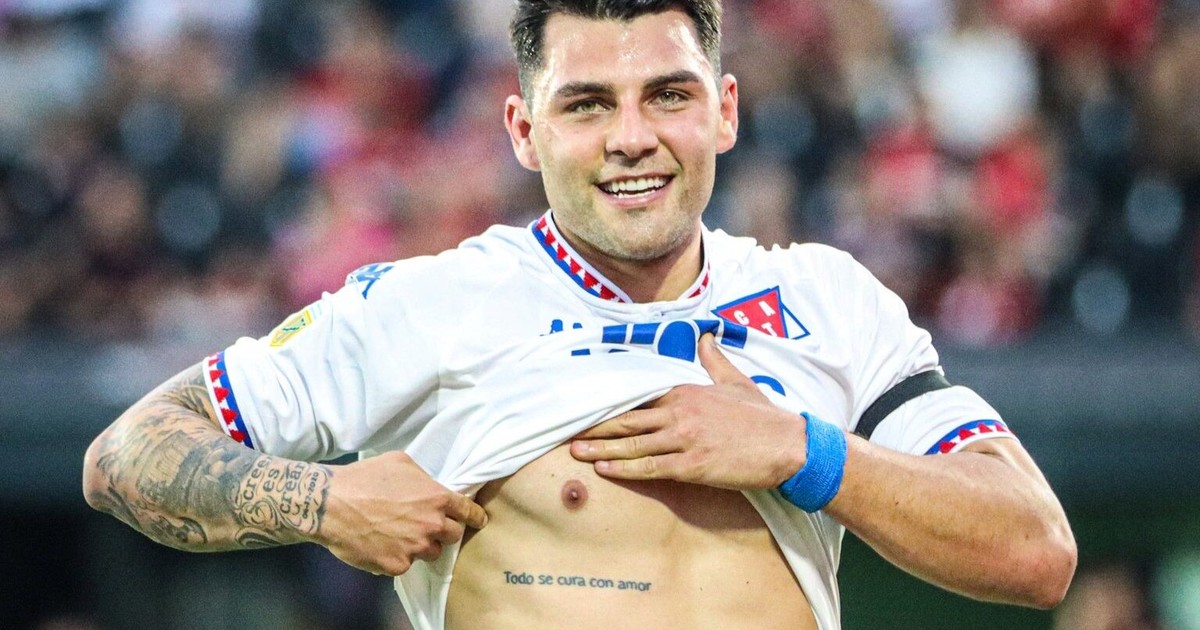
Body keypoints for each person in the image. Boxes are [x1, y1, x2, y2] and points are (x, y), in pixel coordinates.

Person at [82, 1, 1078, 628]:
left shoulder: (830, 297)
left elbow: (1036, 552)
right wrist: (325, 502)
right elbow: (127, 452)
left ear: (726, 110)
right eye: (588, 103)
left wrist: (800, 450)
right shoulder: (432, 303)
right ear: (525, 130)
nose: (632, 137)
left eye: (669, 95)